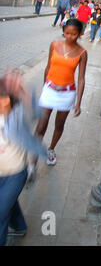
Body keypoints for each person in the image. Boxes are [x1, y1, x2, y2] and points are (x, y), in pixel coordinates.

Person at [31, 19, 87, 172]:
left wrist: (78, 103)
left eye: (74, 34)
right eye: (67, 33)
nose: (70, 37)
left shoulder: (82, 53)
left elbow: (81, 79)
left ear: (80, 34)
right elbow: (48, 67)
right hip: (49, 90)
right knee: (41, 125)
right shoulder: (54, 45)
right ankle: (33, 160)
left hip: (67, 93)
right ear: (63, 31)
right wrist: (44, 88)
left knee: (59, 125)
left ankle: (51, 149)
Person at [0, 71, 47, 245]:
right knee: (7, 204)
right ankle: (19, 226)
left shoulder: (17, 115)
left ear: (6, 100)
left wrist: (23, 92)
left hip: (15, 174)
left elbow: (38, 112)